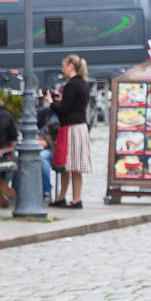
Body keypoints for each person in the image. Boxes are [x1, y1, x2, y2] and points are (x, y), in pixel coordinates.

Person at [49, 56, 95, 208]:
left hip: (70, 128)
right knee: (75, 167)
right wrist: (63, 99)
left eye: (64, 66)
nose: (62, 70)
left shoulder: (71, 85)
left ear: (70, 66)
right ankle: (76, 198)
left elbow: (64, 110)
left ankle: (68, 198)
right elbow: (74, 105)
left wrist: (51, 102)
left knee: (67, 165)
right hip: (80, 127)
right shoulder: (83, 84)